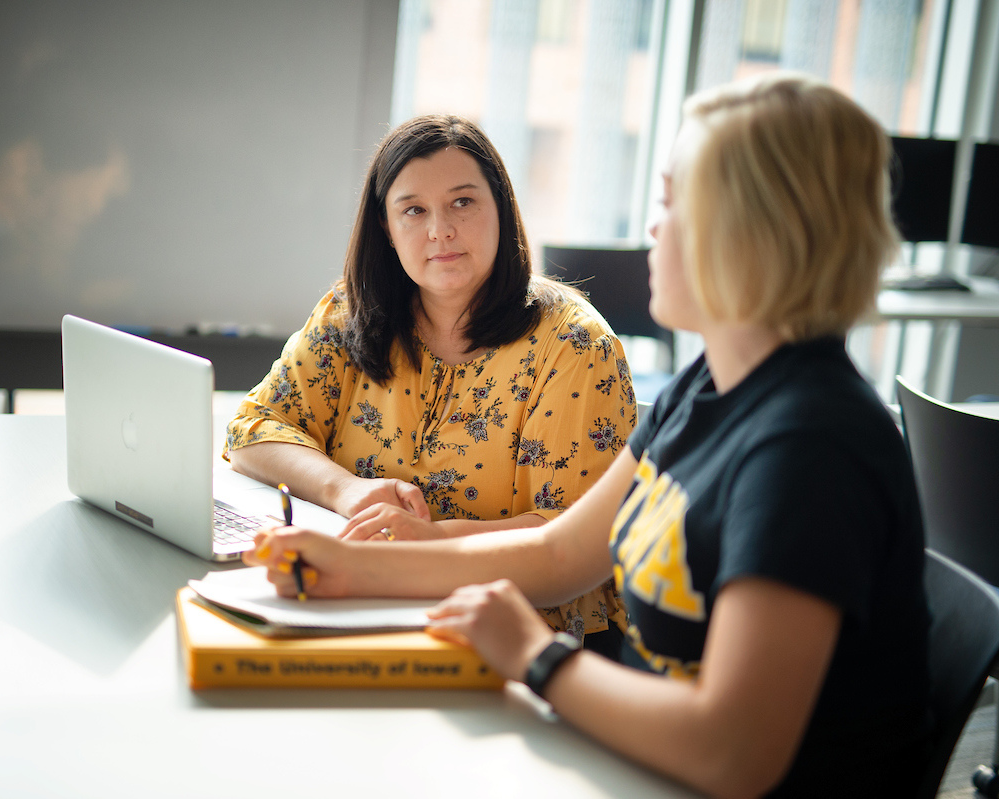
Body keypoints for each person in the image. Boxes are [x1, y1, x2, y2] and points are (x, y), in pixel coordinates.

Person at [246, 74, 933, 798]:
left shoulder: (812, 447)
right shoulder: (712, 384)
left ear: (757, 229)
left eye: (673, 202)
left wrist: (538, 656)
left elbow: (734, 754)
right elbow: (562, 551)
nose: (654, 227)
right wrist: (349, 567)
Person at [225, 114, 636, 655]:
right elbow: (254, 429)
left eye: (463, 203)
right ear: (386, 229)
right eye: (413, 210)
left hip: (516, 638)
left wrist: (430, 542)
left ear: (501, 210)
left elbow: (571, 536)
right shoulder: (351, 312)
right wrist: (346, 491)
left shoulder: (573, 345)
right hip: (362, 607)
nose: (440, 230)